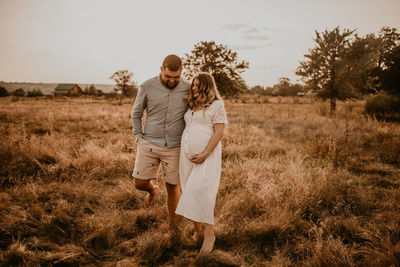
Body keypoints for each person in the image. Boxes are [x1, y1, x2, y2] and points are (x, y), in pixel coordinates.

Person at [131, 54, 190, 234]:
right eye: (168, 77)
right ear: (161, 70)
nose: (172, 81)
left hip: (175, 146)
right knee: (139, 183)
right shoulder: (147, 86)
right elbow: (136, 113)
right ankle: (152, 190)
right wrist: (139, 138)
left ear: (182, 72)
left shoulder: (188, 88)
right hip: (149, 142)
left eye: (176, 77)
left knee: (173, 186)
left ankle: (173, 229)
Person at [175, 72, 228, 253]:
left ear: (207, 86)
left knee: (202, 193)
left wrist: (205, 153)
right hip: (187, 156)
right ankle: (197, 231)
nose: (194, 87)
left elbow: (219, 132)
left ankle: (209, 233)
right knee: (188, 190)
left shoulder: (217, 105)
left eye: (198, 85)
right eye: (193, 84)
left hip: (207, 157)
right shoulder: (192, 106)